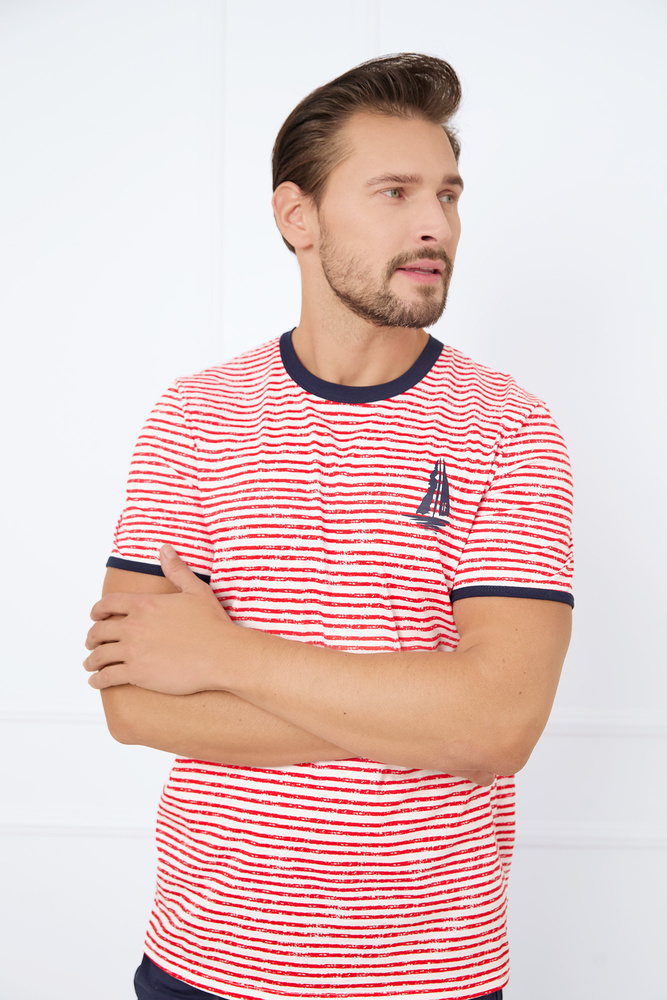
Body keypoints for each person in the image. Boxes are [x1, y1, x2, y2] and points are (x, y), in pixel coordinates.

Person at [84, 53, 573, 1000]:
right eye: (394, 192)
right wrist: (418, 719)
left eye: (447, 194)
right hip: (203, 962)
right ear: (296, 217)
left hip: (427, 973)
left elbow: (497, 725)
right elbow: (134, 704)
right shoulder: (195, 418)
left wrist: (224, 656)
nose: (435, 224)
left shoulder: (508, 428)